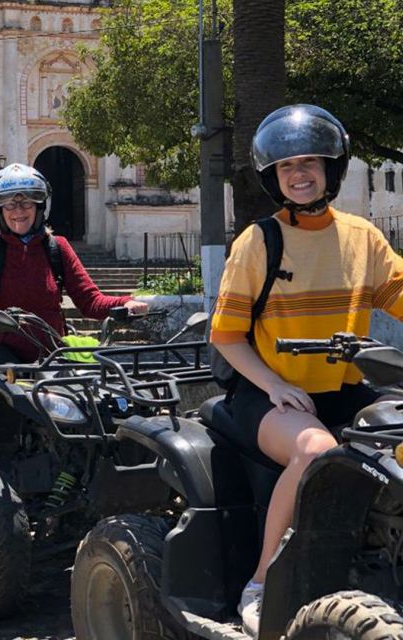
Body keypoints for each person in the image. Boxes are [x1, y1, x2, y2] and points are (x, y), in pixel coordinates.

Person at [209, 104, 403, 637]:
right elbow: (225, 335)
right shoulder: (259, 241)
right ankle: (261, 582)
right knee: (316, 450)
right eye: (288, 166)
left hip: (344, 388)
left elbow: (398, 294)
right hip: (265, 396)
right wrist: (275, 384)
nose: (300, 174)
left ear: (331, 169)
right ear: (273, 176)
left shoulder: (363, 237)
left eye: (311, 163)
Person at [0, 163, 148, 384]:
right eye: (9, 204)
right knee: (12, 394)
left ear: (40, 206)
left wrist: (126, 303)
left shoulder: (57, 247)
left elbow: (89, 300)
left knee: (85, 395)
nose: (18, 210)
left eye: (27, 202)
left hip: (49, 351)